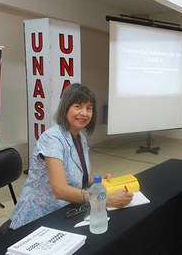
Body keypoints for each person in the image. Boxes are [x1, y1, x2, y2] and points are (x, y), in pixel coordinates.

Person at [10, 83, 133, 229]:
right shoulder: (52, 139)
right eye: (78, 106)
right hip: (38, 218)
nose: (84, 113)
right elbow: (60, 190)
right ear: (66, 108)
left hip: (66, 212)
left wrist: (102, 182)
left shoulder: (80, 137)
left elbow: (87, 179)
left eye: (89, 108)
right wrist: (103, 200)